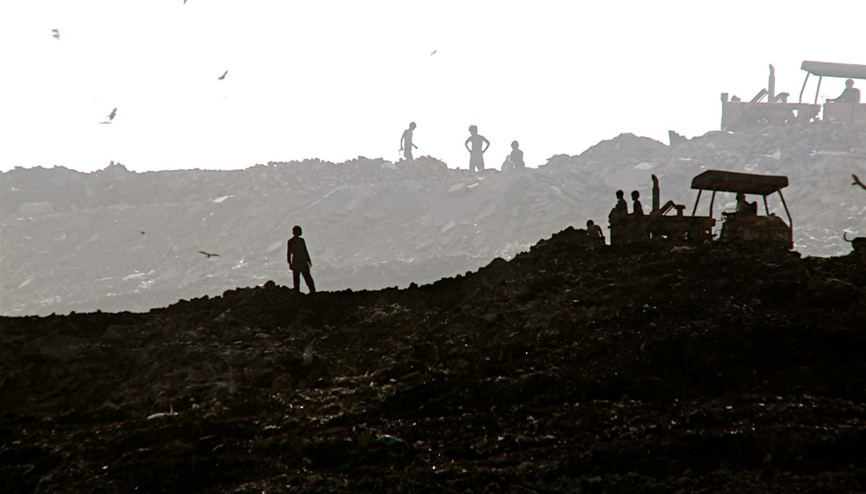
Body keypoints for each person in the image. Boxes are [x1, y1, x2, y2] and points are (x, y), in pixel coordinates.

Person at [287, 225, 315, 294]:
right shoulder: (294, 241)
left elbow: (304, 251)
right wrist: (289, 263)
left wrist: (290, 263)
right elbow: (289, 253)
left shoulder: (294, 241)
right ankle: (308, 291)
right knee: (303, 277)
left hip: (299, 261)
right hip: (300, 261)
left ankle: (310, 291)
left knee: (302, 277)